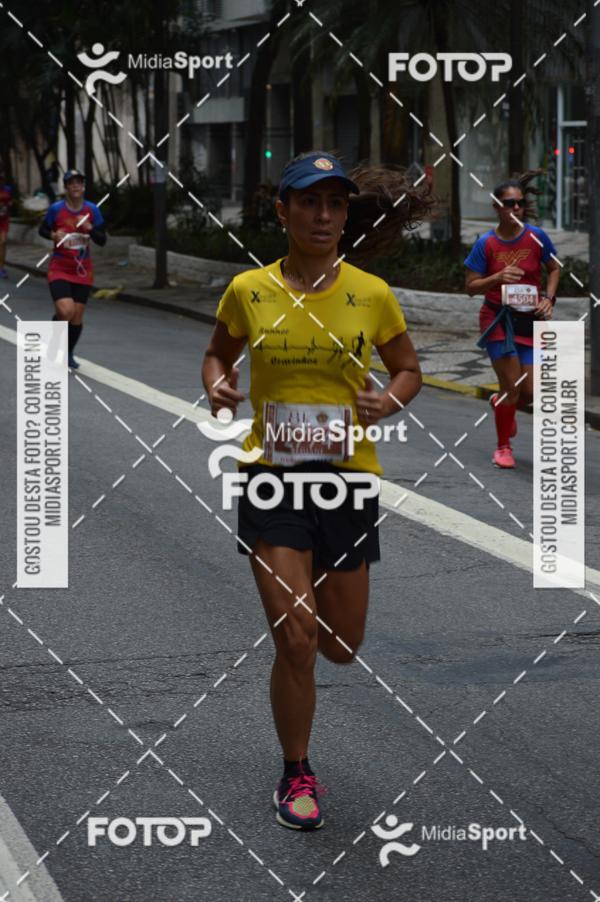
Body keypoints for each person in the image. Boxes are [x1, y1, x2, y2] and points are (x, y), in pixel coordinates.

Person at [202, 151, 432, 830]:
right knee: (297, 638)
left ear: (344, 215)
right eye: (309, 202)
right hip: (272, 477)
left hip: (348, 480)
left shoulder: (371, 291)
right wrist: (217, 383)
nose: (324, 215)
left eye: (335, 204)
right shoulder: (249, 289)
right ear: (284, 212)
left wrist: (390, 400)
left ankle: (301, 737)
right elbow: (218, 351)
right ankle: (296, 770)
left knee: (339, 644)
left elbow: (409, 369)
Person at [464, 173, 560, 468]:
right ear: (496, 206)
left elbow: (555, 268)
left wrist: (548, 298)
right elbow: (471, 287)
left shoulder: (536, 237)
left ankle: (502, 406)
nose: (516, 209)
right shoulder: (486, 244)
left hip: (530, 321)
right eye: (509, 203)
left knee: (530, 391)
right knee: (512, 385)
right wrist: (496, 277)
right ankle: (503, 447)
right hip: (498, 320)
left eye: (520, 204)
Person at [39, 169, 106, 369]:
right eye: (72, 183)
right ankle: (54, 336)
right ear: (66, 187)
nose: (76, 186)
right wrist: (53, 235)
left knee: (76, 315)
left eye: (79, 183)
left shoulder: (92, 210)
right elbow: (42, 229)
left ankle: (67, 352)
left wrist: (90, 229)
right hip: (60, 267)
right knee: (65, 310)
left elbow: (102, 240)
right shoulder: (56, 209)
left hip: (83, 270)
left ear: (83, 187)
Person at [0, 169, 13, 279]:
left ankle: (2, 268)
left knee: (3, 242)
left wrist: (8, 205)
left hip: (4, 220)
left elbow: (10, 202)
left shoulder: (8, 189)